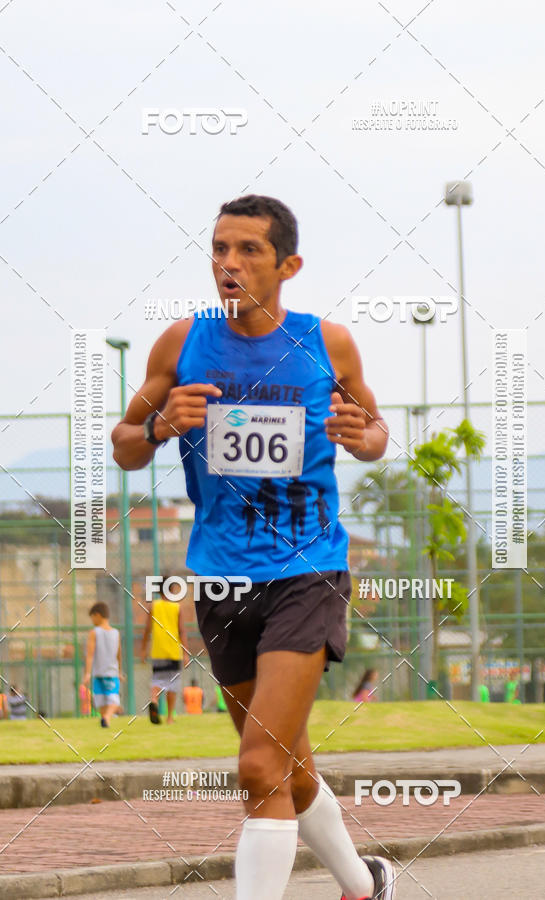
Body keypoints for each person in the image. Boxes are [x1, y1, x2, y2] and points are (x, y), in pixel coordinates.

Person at [111, 194, 394, 900]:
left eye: (247, 251)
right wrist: (156, 430)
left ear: (288, 264)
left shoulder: (328, 343)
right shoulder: (181, 344)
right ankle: (365, 884)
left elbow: (377, 427)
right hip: (220, 577)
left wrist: (366, 437)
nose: (228, 264)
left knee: (258, 766)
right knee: (286, 763)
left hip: (308, 571)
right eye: (218, 250)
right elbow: (122, 448)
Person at [141, 577, 189, 725]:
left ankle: (154, 700)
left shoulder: (153, 606)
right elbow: (182, 631)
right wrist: (185, 653)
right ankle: (169, 717)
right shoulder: (177, 607)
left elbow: (147, 629)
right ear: (172, 589)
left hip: (158, 651)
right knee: (172, 685)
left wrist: (143, 649)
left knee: (157, 680)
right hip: (173, 651)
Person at [83, 602, 122, 728]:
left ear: (97, 615)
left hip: (98, 673)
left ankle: (106, 718)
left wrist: (87, 673)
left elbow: (90, 654)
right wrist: (120, 671)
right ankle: (107, 718)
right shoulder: (116, 633)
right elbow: (119, 654)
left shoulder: (94, 632)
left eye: (92, 618)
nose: (92, 621)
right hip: (112, 673)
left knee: (102, 701)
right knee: (113, 700)